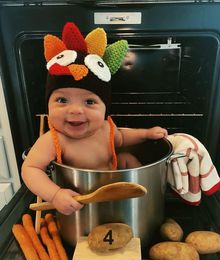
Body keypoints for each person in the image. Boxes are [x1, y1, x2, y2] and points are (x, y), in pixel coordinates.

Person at [22, 22, 168, 215]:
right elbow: (30, 169)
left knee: (126, 158)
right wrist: (55, 195)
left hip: (114, 186)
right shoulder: (54, 140)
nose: (75, 110)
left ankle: (143, 198)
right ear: (48, 105)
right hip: (81, 198)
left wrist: (146, 134)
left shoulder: (105, 128)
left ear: (105, 109)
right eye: (62, 100)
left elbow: (122, 138)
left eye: (89, 102)